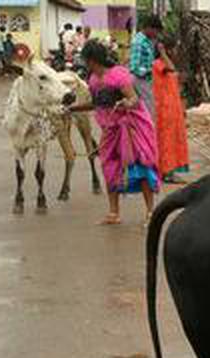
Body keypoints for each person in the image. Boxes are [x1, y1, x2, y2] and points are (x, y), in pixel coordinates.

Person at [70, 40, 159, 226]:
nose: (86, 64)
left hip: (129, 128)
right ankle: (113, 213)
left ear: (93, 60)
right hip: (109, 130)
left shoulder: (118, 75)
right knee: (109, 167)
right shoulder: (93, 81)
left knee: (139, 167)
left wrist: (127, 103)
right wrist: (72, 108)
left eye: (86, 60)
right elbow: (96, 104)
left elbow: (133, 98)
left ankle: (151, 212)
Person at [152, 39, 189, 183]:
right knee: (166, 141)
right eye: (172, 49)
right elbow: (171, 68)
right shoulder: (159, 64)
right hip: (164, 109)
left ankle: (168, 171)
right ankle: (166, 172)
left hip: (172, 108)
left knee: (171, 140)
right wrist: (162, 53)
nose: (175, 52)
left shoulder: (163, 64)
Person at [128, 14, 161, 123]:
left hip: (145, 79)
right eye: (156, 30)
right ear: (149, 28)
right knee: (149, 111)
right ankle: (148, 136)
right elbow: (135, 67)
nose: (156, 34)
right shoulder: (139, 42)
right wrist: (151, 70)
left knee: (148, 110)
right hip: (139, 79)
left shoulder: (148, 41)